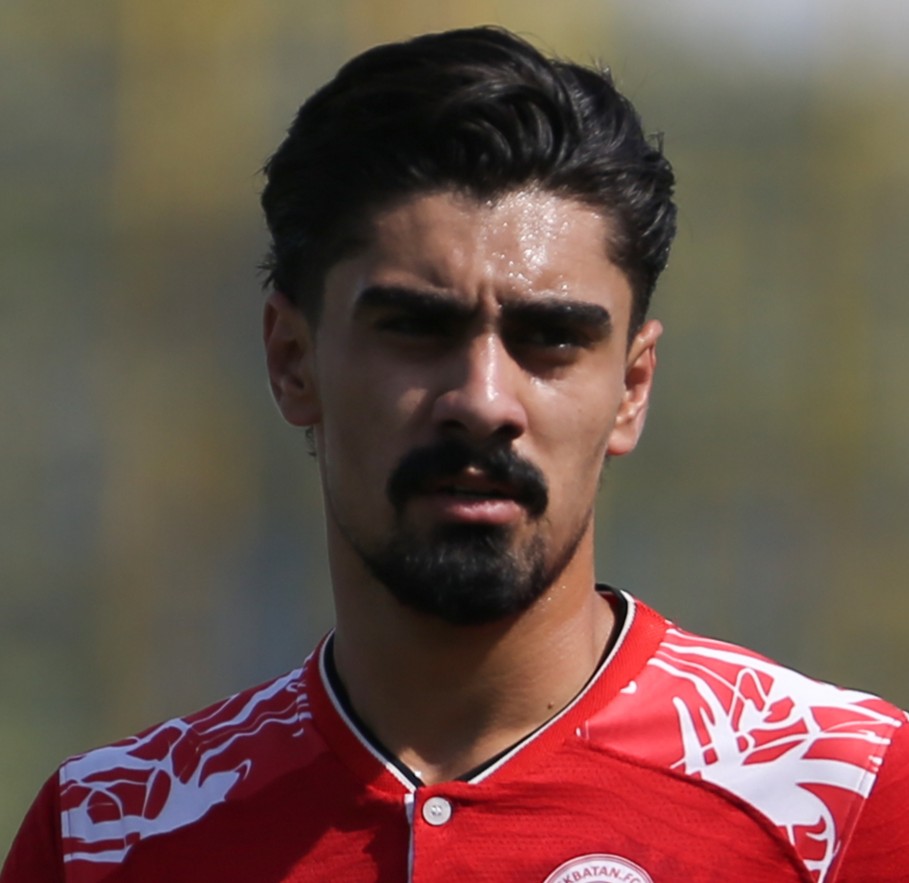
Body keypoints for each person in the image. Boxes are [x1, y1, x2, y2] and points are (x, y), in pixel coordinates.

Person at [3, 24, 907, 883]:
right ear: (292, 360)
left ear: (632, 388)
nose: (481, 400)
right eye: (416, 328)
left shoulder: (849, 801)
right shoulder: (106, 837)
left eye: (550, 338)